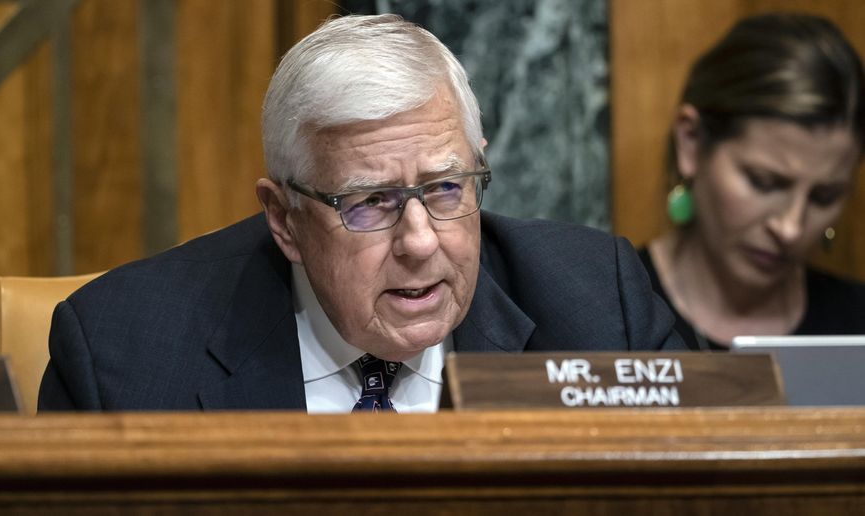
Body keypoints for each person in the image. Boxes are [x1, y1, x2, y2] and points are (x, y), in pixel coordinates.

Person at [39, 14, 683, 413]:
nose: (420, 242)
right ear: (284, 218)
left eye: (445, 187)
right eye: (371, 202)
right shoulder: (124, 354)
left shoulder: (599, 305)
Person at [640, 13, 865, 351]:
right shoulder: (610, 315)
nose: (790, 228)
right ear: (691, 141)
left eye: (824, 197)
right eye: (764, 182)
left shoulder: (855, 324)